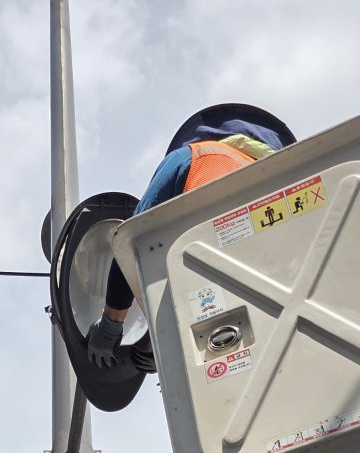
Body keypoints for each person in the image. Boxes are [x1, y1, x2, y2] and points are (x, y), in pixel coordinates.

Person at [87, 103, 296, 370]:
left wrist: (111, 326)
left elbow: (133, 239)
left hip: (209, 301)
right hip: (279, 315)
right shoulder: (290, 183)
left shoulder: (193, 156)